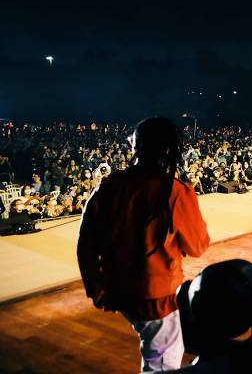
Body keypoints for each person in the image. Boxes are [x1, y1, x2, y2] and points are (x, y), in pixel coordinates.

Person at [77, 116, 210, 372]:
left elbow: (86, 244)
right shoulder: (175, 191)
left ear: (135, 147)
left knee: (160, 350)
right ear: (170, 149)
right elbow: (197, 247)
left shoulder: (108, 187)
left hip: (117, 289)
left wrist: (96, 288)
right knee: (161, 365)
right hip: (155, 295)